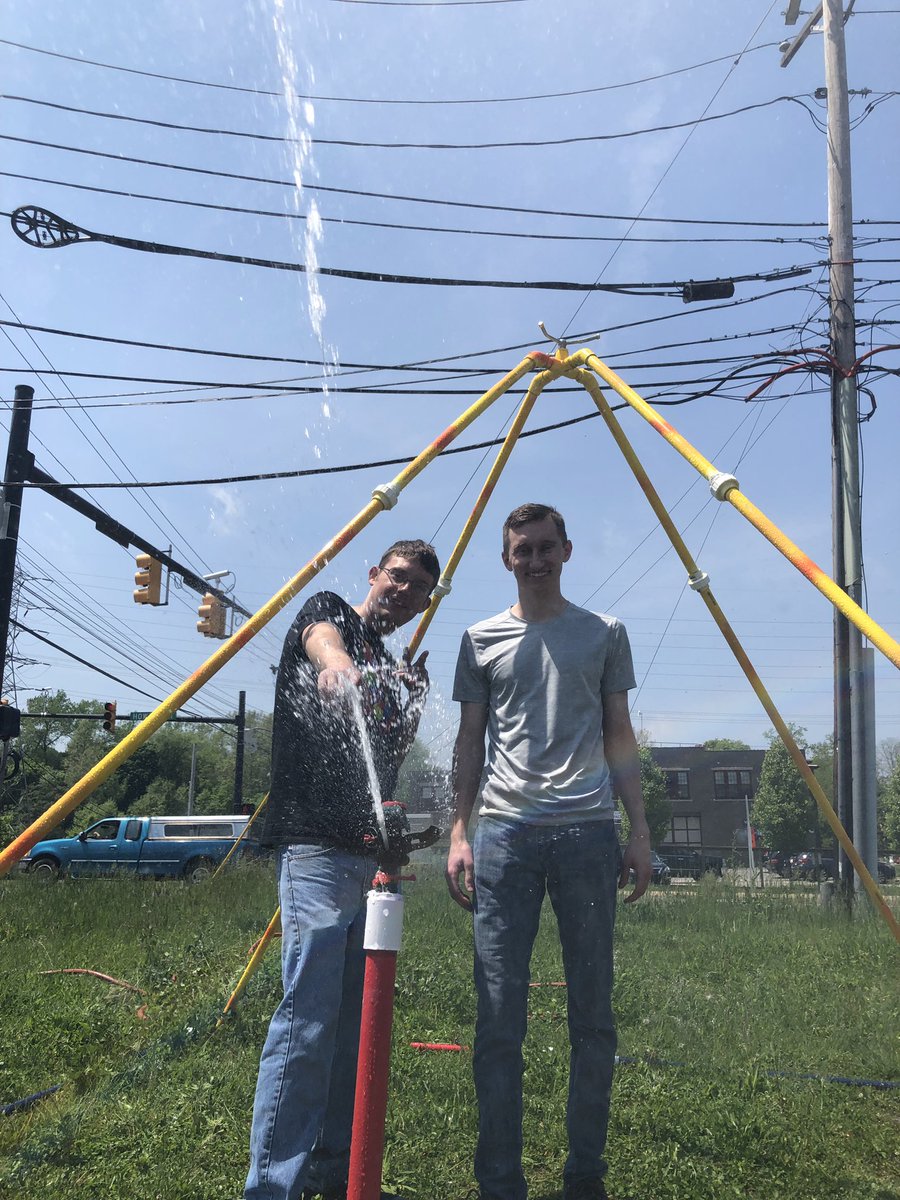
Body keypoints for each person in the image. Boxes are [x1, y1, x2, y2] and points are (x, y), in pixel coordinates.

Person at [446, 503, 651, 1200]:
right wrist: (457, 831)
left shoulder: (604, 634)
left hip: (588, 837)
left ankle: (584, 1176)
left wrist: (640, 831)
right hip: (503, 838)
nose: (533, 560)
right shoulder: (479, 639)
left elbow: (620, 734)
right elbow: (470, 741)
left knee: (592, 1015)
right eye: (520, 550)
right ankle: (500, 1182)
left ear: (567, 551)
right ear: (506, 559)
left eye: (544, 548)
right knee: (498, 1016)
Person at [245, 539, 440, 1200]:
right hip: (316, 853)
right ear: (374, 575)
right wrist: (333, 665)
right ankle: (272, 1187)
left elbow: (379, 767)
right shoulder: (332, 614)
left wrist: (411, 704)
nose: (403, 593)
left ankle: (333, 1174)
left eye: (417, 590)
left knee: (353, 1028)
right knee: (308, 1021)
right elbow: (319, 638)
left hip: (362, 858)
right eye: (398, 578)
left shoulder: (390, 663)